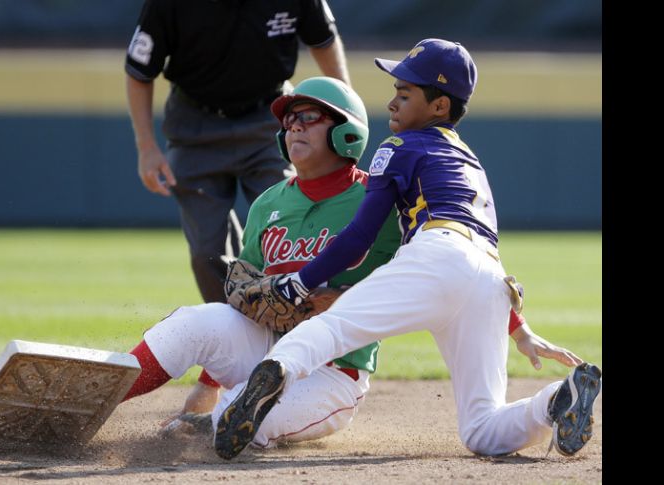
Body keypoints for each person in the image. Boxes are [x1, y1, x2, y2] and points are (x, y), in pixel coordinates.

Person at [121, 76, 583, 452]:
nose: (293, 128)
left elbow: (447, 265)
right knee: (191, 322)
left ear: (347, 132)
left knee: (234, 421)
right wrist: (210, 380)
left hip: (332, 372)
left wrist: (516, 325)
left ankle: (213, 425)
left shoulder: (378, 197)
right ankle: (95, 398)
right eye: (288, 122)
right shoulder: (267, 204)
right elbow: (246, 295)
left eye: (309, 117)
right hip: (266, 344)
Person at [214, 39, 602, 460]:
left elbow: (360, 235)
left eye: (404, 94)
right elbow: (475, 257)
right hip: (491, 281)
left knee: (335, 326)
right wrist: (520, 330)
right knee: (481, 429)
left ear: (438, 107)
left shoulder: (399, 147)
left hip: (435, 255)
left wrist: (298, 283)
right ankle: (553, 401)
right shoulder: (471, 161)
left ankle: (278, 371)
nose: (392, 103)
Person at [124, 0, 351, 305]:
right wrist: (146, 147)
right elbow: (139, 72)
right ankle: (232, 331)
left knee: (292, 225)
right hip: (195, 125)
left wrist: (346, 110)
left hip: (270, 117)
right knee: (208, 252)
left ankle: (301, 330)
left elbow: (323, 40)